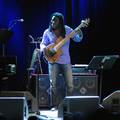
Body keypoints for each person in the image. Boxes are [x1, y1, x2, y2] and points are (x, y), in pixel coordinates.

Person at [40, 12, 88, 106]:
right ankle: (54, 106)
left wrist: (79, 30)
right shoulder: (47, 32)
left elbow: (78, 39)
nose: (52, 21)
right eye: (52, 19)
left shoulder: (67, 29)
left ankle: (69, 105)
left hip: (66, 62)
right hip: (53, 61)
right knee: (53, 85)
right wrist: (44, 49)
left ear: (60, 22)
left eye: (55, 20)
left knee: (70, 85)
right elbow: (43, 43)